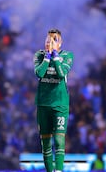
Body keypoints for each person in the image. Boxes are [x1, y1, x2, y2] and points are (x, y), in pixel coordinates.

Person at [33, 28, 74, 172]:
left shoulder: (68, 56)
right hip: (43, 104)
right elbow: (39, 73)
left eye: (54, 40)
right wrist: (47, 57)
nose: (50, 42)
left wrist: (55, 56)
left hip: (60, 104)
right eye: (48, 40)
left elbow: (62, 73)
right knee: (45, 143)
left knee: (58, 139)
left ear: (60, 43)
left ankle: (59, 170)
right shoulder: (39, 55)